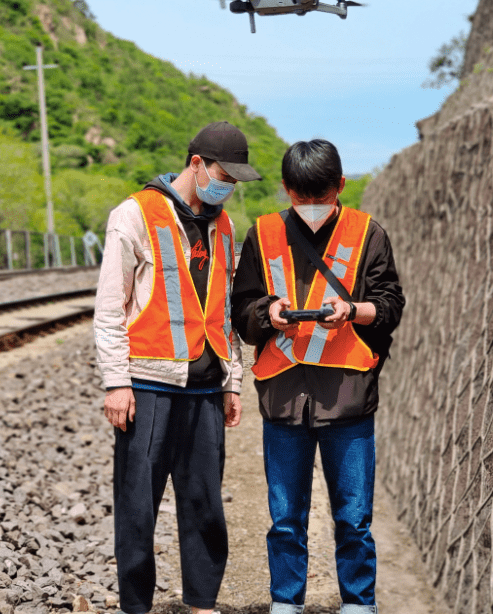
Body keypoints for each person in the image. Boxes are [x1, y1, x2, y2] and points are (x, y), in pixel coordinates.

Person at [94, 121, 262, 614]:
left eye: (235, 180)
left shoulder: (225, 225)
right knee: (137, 507)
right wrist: (116, 382)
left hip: (206, 391)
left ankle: (202, 604)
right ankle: (136, 607)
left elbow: (228, 311)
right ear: (196, 165)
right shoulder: (135, 214)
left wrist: (233, 381)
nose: (228, 186)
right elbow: (110, 307)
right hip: (147, 387)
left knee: (205, 507)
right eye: (223, 175)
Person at [232, 139, 405, 614]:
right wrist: (270, 313)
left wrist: (352, 310)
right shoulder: (261, 234)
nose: (310, 207)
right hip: (284, 399)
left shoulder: (368, 234)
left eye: (320, 197)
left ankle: (358, 604)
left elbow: (391, 305)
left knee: (353, 518)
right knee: (285, 518)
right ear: (286, 189)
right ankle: (285, 603)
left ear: (340, 187)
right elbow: (241, 311)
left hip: (347, 399)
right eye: (300, 197)